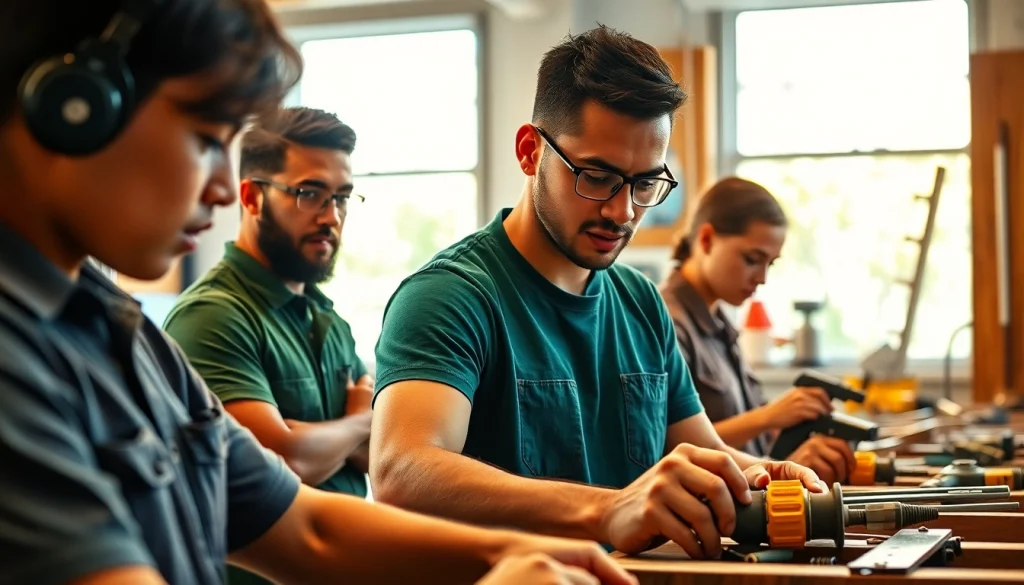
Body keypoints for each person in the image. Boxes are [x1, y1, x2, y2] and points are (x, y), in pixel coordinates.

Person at [0, 2, 640, 584]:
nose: (225, 189)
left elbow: (309, 527)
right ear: (74, 106)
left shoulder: (127, 338)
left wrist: (519, 554)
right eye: (205, 138)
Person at [369, 25, 823, 562]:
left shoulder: (641, 302)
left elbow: (701, 448)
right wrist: (607, 510)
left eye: (644, 183)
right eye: (597, 176)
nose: (622, 211)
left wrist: (759, 475)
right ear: (529, 151)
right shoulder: (451, 297)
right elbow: (402, 469)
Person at [163, 107, 374, 585]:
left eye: (342, 197)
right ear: (251, 198)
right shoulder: (213, 316)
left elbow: (375, 457)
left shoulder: (330, 319)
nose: (331, 217)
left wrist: (324, 439)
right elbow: (283, 463)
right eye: (309, 194)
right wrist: (357, 420)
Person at [657, 177, 857, 486]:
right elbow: (669, 445)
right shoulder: (665, 322)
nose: (761, 278)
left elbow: (748, 440)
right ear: (707, 239)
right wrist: (770, 416)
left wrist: (792, 451)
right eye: (752, 259)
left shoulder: (722, 325)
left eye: (770, 264)